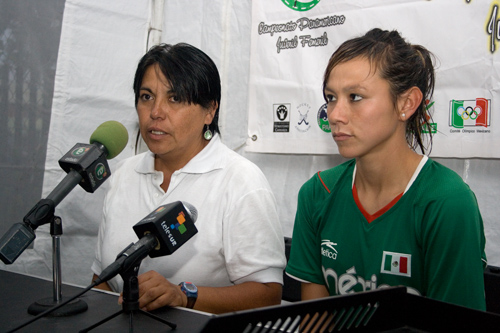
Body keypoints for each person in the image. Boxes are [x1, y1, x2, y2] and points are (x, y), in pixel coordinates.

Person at [285, 28, 487, 310]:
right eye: (331, 97)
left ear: (406, 103)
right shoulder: (317, 193)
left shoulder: (447, 202)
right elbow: (315, 320)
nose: (335, 114)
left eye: (355, 96)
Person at [91, 43, 286, 314]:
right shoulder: (124, 174)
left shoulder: (240, 180)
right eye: (147, 96)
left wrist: (183, 295)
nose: (156, 112)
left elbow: (267, 294)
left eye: (175, 99)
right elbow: (101, 280)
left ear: (210, 110)